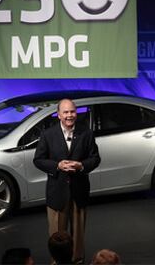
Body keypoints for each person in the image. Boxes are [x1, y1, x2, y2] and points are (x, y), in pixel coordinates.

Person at [34, 98, 101, 264]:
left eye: (72, 111)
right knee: (57, 235)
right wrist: (57, 165)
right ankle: (57, 262)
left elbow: (95, 158)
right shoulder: (48, 134)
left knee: (78, 234)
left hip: (79, 191)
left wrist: (81, 165)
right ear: (58, 115)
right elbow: (38, 160)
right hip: (57, 193)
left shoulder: (86, 133)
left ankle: (77, 261)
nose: (70, 115)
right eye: (66, 112)